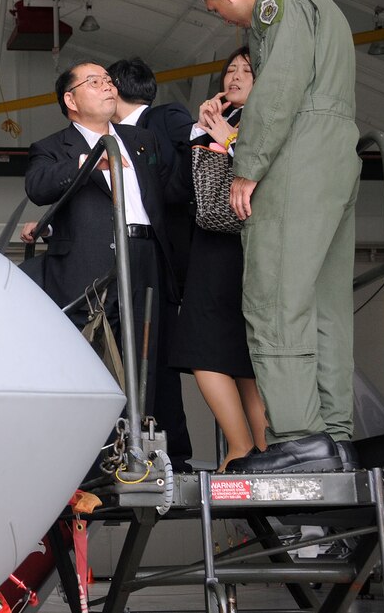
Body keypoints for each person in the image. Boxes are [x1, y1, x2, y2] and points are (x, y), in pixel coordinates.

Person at [199, 0, 360, 473]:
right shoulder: (319, 0)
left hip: (299, 155)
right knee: (323, 305)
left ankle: (297, 437)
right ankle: (335, 438)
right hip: (337, 153)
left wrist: (248, 164)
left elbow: (279, 88)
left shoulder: (278, 5)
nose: (227, 21)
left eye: (219, 12)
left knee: (273, 297)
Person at [25, 61, 177, 422]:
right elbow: (37, 186)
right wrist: (85, 162)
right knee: (92, 355)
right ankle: (95, 457)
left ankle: (138, 449)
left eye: (109, 81)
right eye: (95, 82)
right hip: (88, 264)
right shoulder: (53, 148)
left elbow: (170, 190)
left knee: (144, 354)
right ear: (71, 100)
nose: (108, 86)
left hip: (144, 254)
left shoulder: (141, 141)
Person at [171, 47, 268, 470]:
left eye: (247, 71)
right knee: (235, 353)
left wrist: (224, 136)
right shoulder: (222, 123)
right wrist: (203, 129)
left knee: (206, 345)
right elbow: (188, 188)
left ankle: (243, 446)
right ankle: (261, 449)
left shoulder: (266, 123)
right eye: (230, 70)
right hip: (219, 243)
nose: (235, 76)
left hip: (241, 243)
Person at [110, 57, 193, 471]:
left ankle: (173, 451)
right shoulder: (107, 138)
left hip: (164, 253)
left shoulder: (165, 117)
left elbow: (190, 167)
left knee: (157, 354)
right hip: (125, 253)